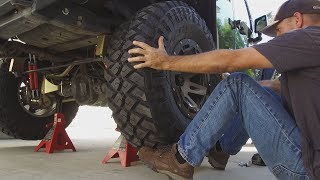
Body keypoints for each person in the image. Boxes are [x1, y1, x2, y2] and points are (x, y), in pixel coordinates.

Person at [127, 0, 320, 179]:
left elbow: (232, 60)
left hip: (306, 168)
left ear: (297, 19)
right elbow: (276, 87)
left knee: (237, 84)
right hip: (308, 161)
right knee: (248, 89)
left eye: (279, 29)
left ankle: (179, 159)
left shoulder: (309, 37)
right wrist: (230, 95)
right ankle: (220, 151)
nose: (278, 37)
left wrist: (167, 62)